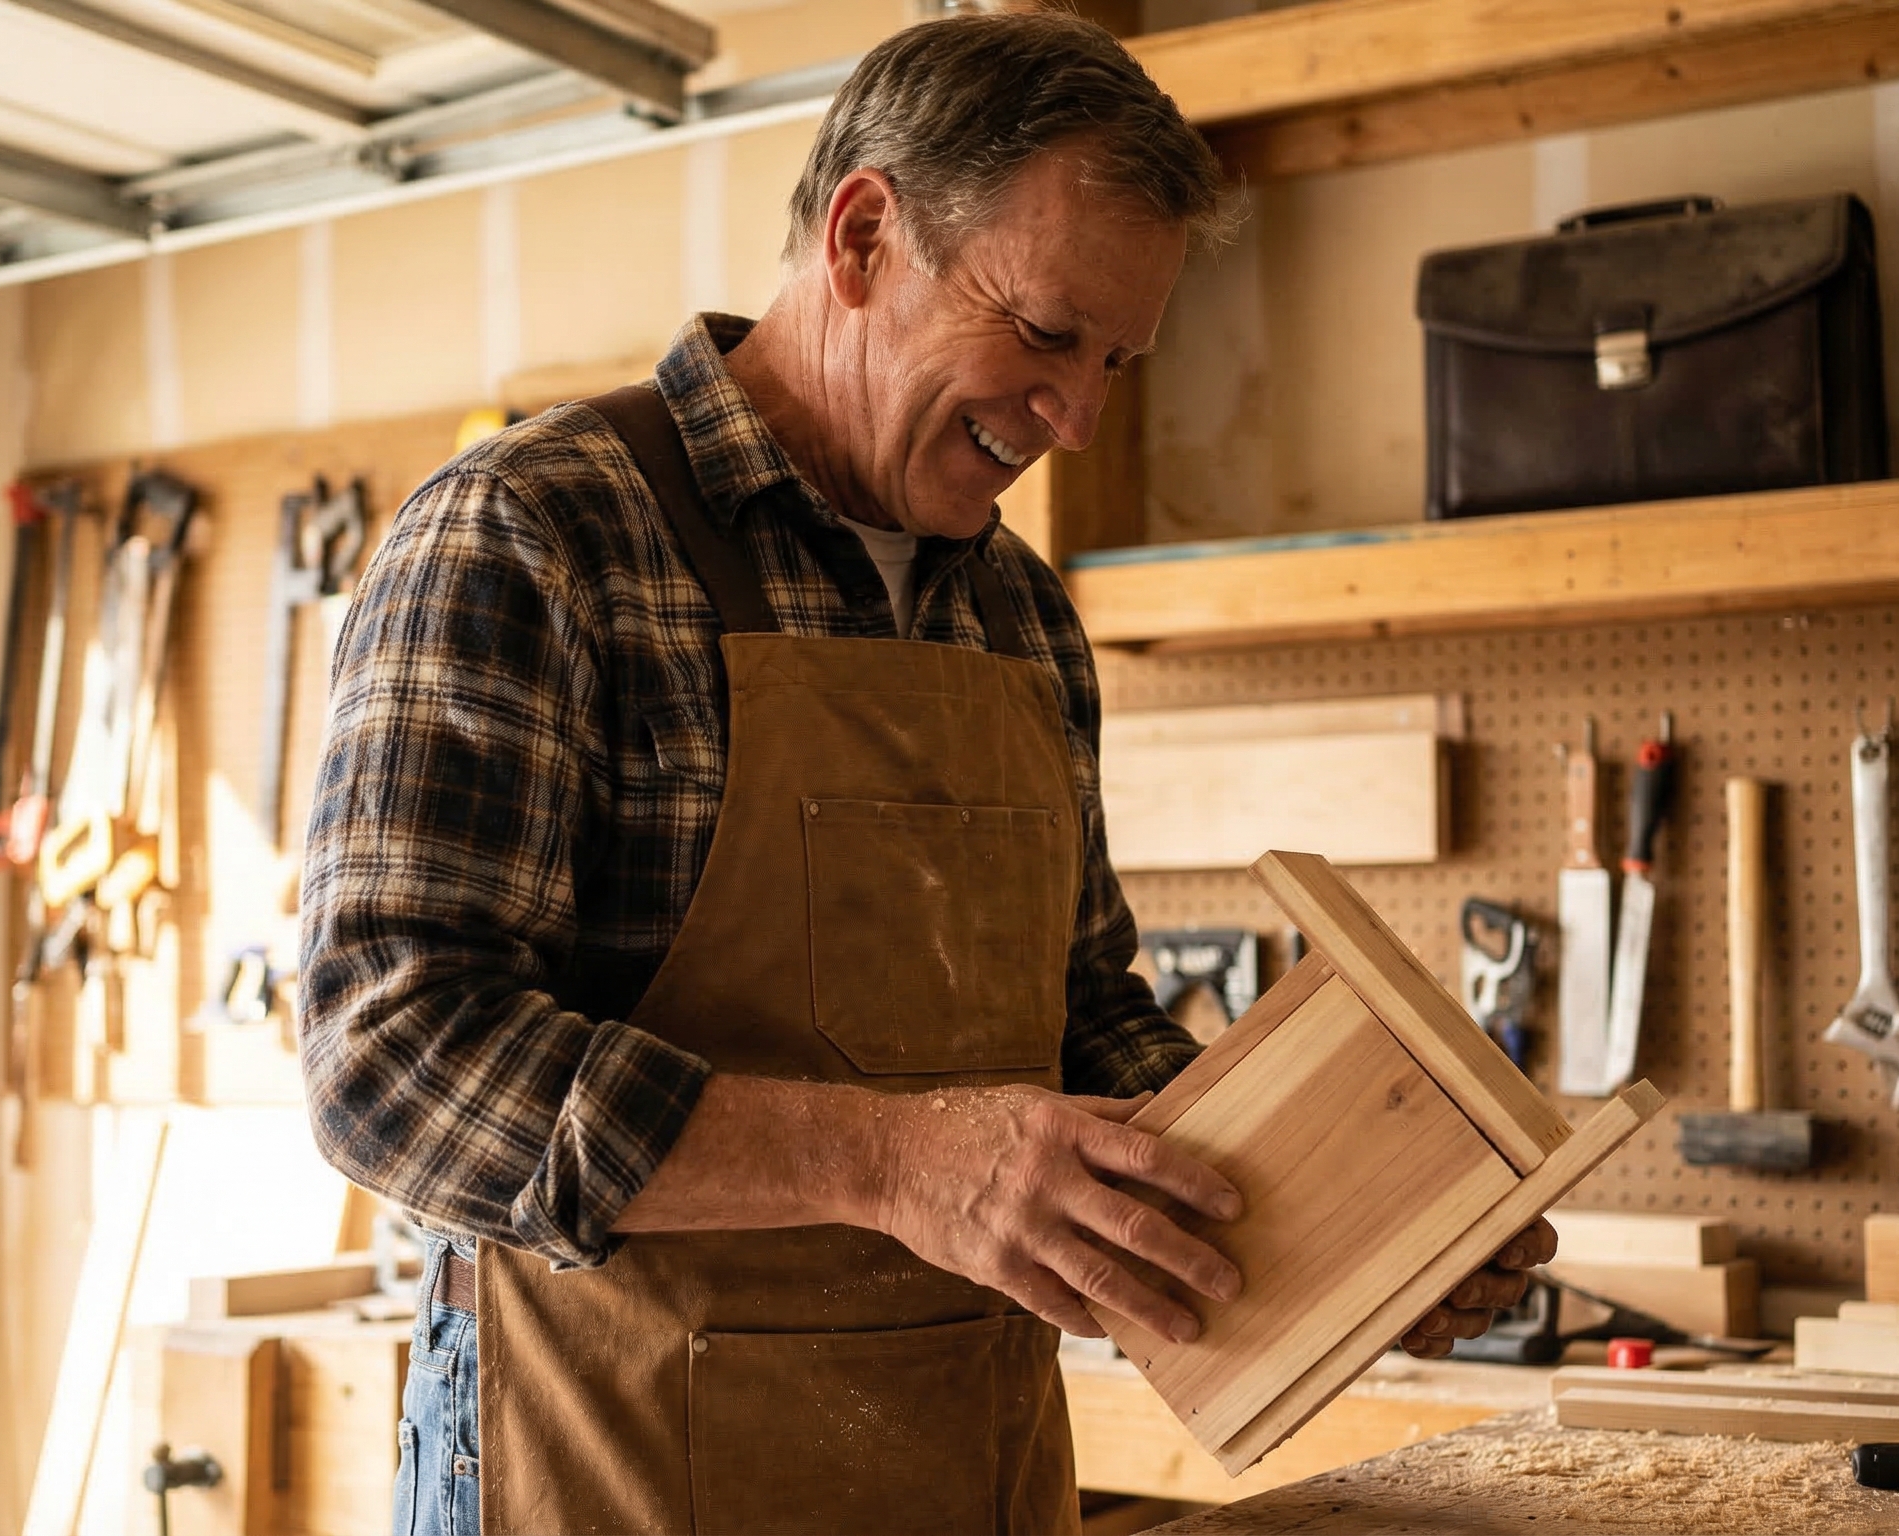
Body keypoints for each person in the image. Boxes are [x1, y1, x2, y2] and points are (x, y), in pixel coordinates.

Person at [298, 13, 1554, 1534]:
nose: (1078, 418)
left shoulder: (1021, 616)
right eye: (1042, 334)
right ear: (864, 234)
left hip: (968, 1472)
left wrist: (1338, 1232)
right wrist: (895, 1161)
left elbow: (1087, 1032)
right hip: (615, 1469)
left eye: (1114, 360)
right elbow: (393, 1066)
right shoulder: (536, 536)